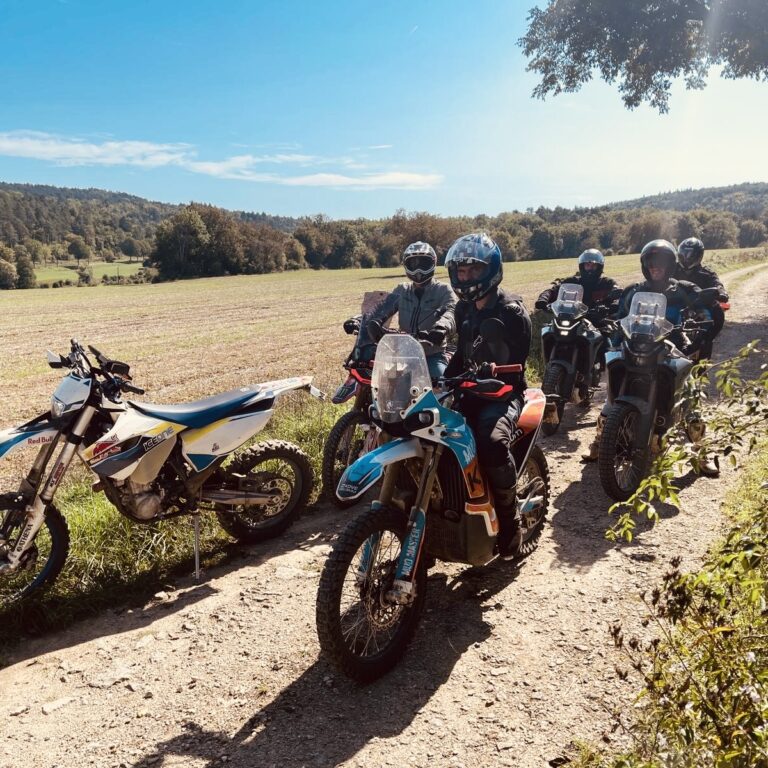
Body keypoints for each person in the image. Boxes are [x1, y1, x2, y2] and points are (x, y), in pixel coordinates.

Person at [581, 239, 718, 475]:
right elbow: (619, 317)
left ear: (670, 264)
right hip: (637, 348)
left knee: (690, 397)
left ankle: (702, 451)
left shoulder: (684, 290)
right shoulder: (633, 291)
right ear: (645, 265)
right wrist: (612, 329)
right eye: (651, 262)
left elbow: (704, 312)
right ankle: (601, 442)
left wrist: (700, 330)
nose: (655, 267)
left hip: (672, 350)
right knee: (612, 397)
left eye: (661, 262)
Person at [443, 233, 532, 559]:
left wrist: (494, 369)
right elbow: (459, 355)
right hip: (468, 391)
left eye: (473, 271)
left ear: (490, 271)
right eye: (461, 271)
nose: (465, 277)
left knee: (491, 442)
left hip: (503, 395)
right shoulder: (465, 310)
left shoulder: (512, 311)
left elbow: (518, 361)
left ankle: (510, 523)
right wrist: (436, 377)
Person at [344, 242, 456, 379]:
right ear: (406, 265)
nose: (418, 269)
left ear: (432, 263)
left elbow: (452, 311)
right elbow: (380, 310)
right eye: (413, 264)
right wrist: (359, 319)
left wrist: (441, 327)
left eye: (423, 263)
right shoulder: (402, 290)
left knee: (442, 384)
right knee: (381, 382)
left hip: (431, 354)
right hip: (402, 353)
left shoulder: (443, 290)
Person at [535, 248, 622, 398]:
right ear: (582, 266)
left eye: (593, 266)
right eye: (587, 265)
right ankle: (553, 372)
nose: (590, 268)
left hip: (597, 323)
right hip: (572, 320)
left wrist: (613, 303)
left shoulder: (606, 283)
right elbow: (553, 290)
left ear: (599, 267)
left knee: (608, 351)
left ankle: (609, 389)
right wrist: (544, 299)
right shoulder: (572, 282)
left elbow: (618, 293)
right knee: (550, 332)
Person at [674, 237, 728, 359]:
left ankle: (702, 366)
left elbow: (717, 284)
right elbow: (657, 279)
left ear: (698, 256)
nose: (686, 257)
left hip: (697, 311)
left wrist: (721, 292)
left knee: (713, 319)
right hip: (673, 308)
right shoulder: (671, 269)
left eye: (690, 255)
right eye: (684, 254)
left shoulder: (706, 273)